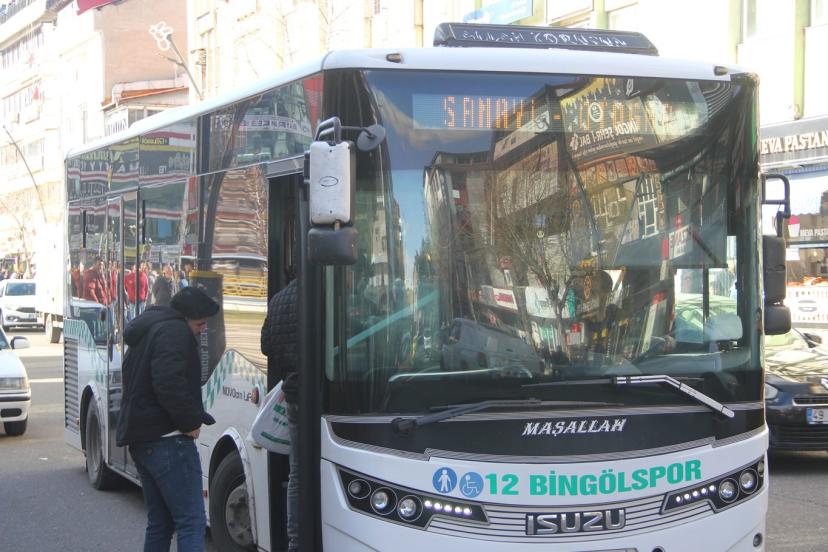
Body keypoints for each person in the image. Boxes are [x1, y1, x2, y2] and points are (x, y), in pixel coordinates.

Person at [116, 286, 219, 552]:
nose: (203, 330)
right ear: (186, 318)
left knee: (160, 523)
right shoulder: (175, 332)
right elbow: (168, 383)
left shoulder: (151, 328)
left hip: (142, 439)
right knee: (192, 521)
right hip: (169, 441)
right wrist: (190, 423)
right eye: (200, 324)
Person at [260, 277, 298, 552]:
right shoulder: (321, 295)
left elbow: (266, 346)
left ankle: (294, 539)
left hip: (293, 394)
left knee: (298, 472)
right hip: (318, 397)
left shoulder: (278, 299)